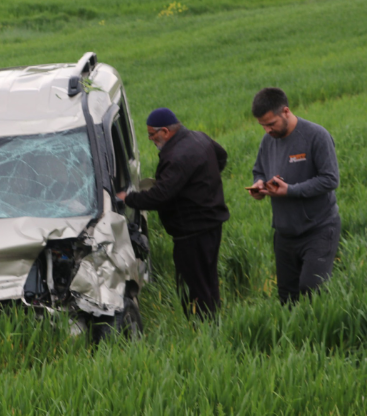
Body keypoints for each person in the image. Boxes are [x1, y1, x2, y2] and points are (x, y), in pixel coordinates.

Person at [116, 108, 229, 320]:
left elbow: (159, 197)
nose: (150, 139)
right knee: (208, 279)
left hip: (192, 233)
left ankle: (203, 329)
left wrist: (128, 198)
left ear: (165, 131)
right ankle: (214, 323)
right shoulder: (199, 137)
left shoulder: (177, 156)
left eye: (152, 134)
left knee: (192, 287)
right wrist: (202, 183)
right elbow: (221, 157)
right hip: (212, 225)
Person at [248, 87, 341, 305]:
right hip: (284, 232)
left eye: (271, 124)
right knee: (287, 298)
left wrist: (290, 190)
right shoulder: (268, 141)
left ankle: (324, 333)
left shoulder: (316, 136)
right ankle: (296, 337)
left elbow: (330, 179)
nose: (267, 130)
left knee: (312, 289)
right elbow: (259, 170)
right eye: (262, 126)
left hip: (318, 228)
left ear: (286, 111)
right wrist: (259, 185)